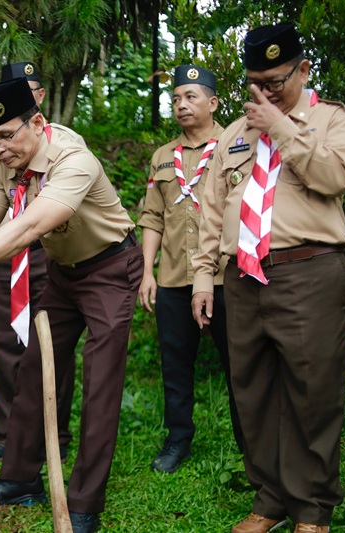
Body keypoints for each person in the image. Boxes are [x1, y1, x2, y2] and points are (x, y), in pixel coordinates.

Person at [0, 77, 143, 533]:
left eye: (6, 135)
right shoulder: (7, 164)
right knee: (35, 368)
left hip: (109, 270)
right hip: (64, 275)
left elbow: (31, 226)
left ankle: (83, 502)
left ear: (37, 122)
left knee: (100, 382)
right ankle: (20, 478)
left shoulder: (73, 159)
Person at [191, 23, 345, 533]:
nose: (263, 94)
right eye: (254, 84)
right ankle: (270, 499)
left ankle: (312, 511)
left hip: (309, 272)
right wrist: (203, 277)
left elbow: (334, 177)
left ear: (303, 71)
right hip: (243, 278)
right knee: (254, 393)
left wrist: (281, 126)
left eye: (276, 82)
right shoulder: (233, 135)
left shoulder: (332, 118)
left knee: (313, 394)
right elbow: (212, 210)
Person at [0, 61, 84, 462]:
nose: (32, 94)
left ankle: (58, 431)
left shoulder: (64, 145)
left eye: (35, 88)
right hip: (1, 256)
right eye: (21, 88)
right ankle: (7, 433)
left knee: (54, 343)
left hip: (47, 254)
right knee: (6, 343)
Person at [137, 64, 242, 473]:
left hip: (224, 278)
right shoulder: (163, 157)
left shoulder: (234, 147)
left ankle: (249, 440)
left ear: (214, 103)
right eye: (176, 98)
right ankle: (178, 439)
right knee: (175, 364)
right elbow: (152, 218)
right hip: (175, 280)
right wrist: (148, 271)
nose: (181, 104)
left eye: (191, 96)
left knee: (240, 363)